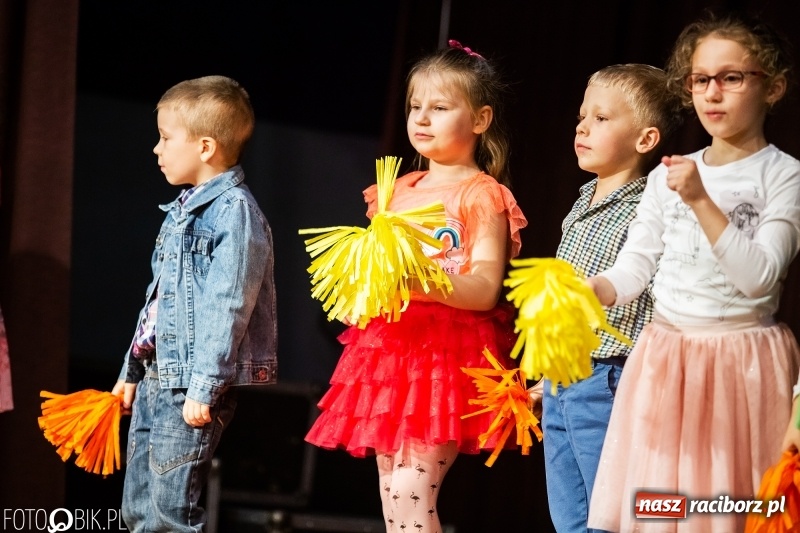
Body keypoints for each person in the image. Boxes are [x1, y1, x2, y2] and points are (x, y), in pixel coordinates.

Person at [584, 13, 800, 533]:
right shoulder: (668, 176)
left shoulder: (785, 174)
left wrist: (701, 198)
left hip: (738, 363)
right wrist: (596, 289)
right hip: (665, 357)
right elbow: (637, 265)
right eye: (700, 79)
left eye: (731, 77)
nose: (712, 93)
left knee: (723, 510)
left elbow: (760, 278)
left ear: (772, 86)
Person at [304, 40, 527, 532]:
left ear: (481, 119)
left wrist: (423, 282)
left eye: (440, 108)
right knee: (394, 496)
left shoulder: (480, 192)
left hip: (444, 356)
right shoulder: (397, 189)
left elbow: (486, 287)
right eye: (415, 107)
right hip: (389, 353)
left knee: (411, 490)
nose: (422, 118)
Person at [111, 75, 278, 533]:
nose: (156, 149)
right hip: (155, 378)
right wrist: (130, 373)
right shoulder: (183, 210)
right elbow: (159, 303)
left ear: (206, 147)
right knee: (138, 511)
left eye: (166, 138)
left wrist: (205, 385)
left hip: (188, 385)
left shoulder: (234, 212)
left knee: (170, 515)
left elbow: (228, 306)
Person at [526, 64, 681, 533]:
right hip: (562, 376)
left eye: (601, 118)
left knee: (608, 512)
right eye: (581, 116)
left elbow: (648, 292)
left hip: (605, 376)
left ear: (645, 140)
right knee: (568, 516)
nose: (582, 126)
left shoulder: (646, 210)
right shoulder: (582, 200)